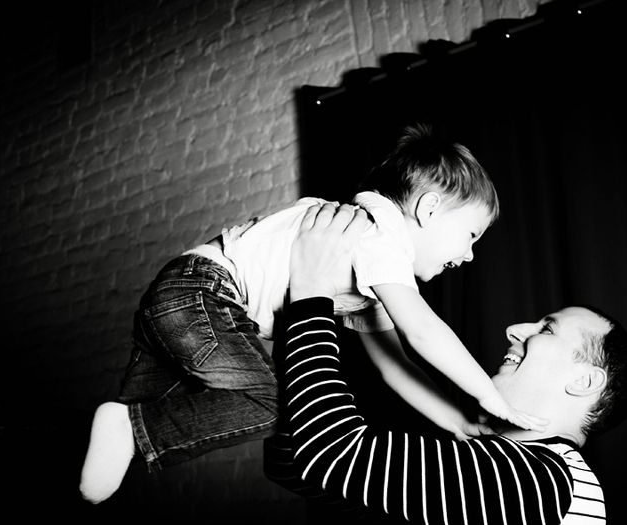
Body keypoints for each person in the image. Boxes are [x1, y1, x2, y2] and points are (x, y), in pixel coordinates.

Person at [79, 124, 547, 504]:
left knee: (124, 434)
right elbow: (422, 329)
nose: (469, 255)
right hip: (203, 293)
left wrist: (458, 422)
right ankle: (127, 429)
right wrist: (490, 396)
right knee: (271, 404)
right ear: (428, 209)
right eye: (471, 235)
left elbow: (393, 365)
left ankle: (114, 439)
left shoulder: (369, 268)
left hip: (181, 299)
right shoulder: (377, 234)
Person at [269, 202, 627, 524]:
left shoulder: (537, 480)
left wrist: (311, 289)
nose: (515, 330)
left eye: (547, 329)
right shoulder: (513, 472)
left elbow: (328, 453)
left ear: (585, 381)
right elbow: (292, 462)